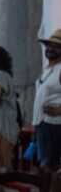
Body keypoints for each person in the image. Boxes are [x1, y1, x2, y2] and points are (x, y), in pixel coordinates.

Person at [32, 29, 61, 171]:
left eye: (56, 46)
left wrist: (60, 109)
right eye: (49, 45)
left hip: (55, 125)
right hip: (42, 124)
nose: (50, 48)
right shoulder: (49, 68)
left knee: (49, 167)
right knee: (44, 165)